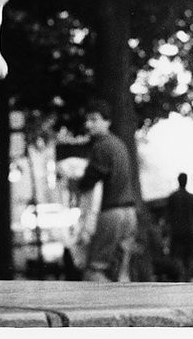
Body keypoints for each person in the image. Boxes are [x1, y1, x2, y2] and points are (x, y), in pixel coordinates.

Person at [75, 99, 137, 282]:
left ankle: (102, 308)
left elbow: (89, 181)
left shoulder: (101, 146)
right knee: (121, 271)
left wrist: (77, 182)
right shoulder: (120, 145)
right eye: (88, 120)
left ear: (107, 121)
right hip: (129, 213)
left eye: (94, 120)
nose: (88, 124)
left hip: (112, 213)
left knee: (94, 270)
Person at [164, 172, 193, 281]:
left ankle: (181, 275)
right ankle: (187, 277)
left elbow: (167, 217)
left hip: (176, 232)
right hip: (190, 232)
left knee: (177, 256)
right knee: (189, 256)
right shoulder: (192, 198)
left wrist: (165, 232)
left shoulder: (172, 197)